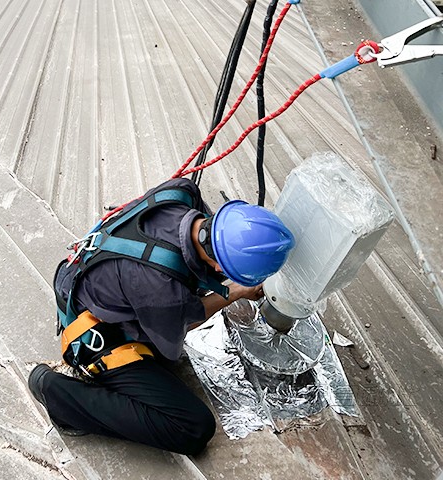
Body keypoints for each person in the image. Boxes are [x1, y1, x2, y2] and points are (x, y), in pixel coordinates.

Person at [28, 177, 295, 455]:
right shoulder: (164, 291)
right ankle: (57, 393)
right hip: (91, 330)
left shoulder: (182, 192)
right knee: (192, 427)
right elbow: (185, 322)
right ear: (219, 264)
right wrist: (236, 291)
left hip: (90, 275)